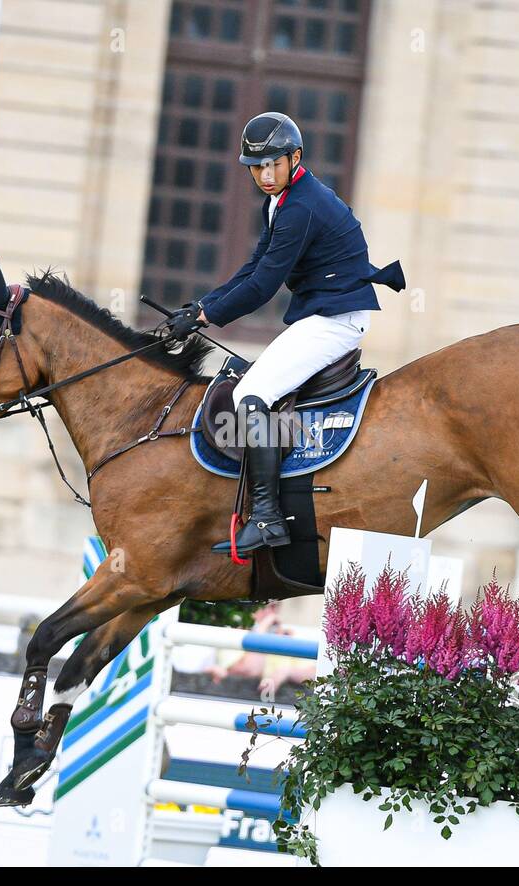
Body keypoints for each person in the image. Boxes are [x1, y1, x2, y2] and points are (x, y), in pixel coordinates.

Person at [164, 111, 405, 555]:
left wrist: (203, 319)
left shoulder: (301, 206)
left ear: (295, 157)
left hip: (336, 320)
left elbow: (262, 286)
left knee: (249, 395)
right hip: (322, 314)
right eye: (256, 167)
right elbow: (253, 266)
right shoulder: (280, 201)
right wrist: (200, 306)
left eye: (273, 164)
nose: (265, 174)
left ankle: (268, 518)